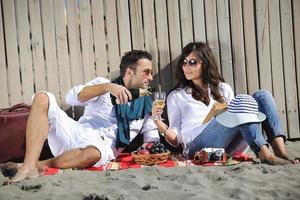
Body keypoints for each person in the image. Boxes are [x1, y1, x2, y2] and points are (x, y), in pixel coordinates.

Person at [1, 50, 160, 184]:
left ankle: (32, 165)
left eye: (151, 72)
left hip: (102, 148)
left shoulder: (146, 104)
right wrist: (106, 87)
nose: (151, 77)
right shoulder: (104, 85)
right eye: (146, 72)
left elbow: (151, 137)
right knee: (43, 97)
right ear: (130, 72)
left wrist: (157, 125)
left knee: (92, 154)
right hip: (77, 132)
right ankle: (28, 167)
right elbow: (71, 98)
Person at [152, 42, 299, 165]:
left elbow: (241, 119)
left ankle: (280, 151)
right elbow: (176, 140)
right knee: (241, 103)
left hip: (229, 146)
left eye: (192, 62)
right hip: (196, 145)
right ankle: (264, 154)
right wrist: (159, 123)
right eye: (184, 62)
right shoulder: (177, 96)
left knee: (262, 95)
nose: (186, 66)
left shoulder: (223, 88)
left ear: (205, 64)